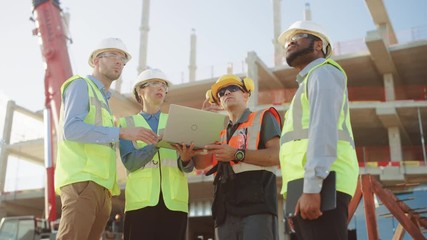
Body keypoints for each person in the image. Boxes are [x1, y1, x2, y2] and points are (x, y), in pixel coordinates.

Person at [55, 38, 160, 240]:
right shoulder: (80, 85)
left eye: (123, 59)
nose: (119, 61)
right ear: (96, 59)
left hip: (102, 189)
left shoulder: (104, 100)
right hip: (82, 182)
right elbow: (71, 129)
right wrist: (121, 133)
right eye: (113, 55)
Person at [277, 20, 359, 240]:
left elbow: (323, 130)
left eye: (297, 37)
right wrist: (296, 196)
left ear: (317, 44)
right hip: (307, 187)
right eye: (287, 41)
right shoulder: (308, 82)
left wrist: (312, 189)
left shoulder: (323, 74)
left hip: (323, 185)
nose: (289, 43)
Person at [196, 74, 282, 240]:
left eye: (233, 88)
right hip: (225, 211)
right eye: (221, 92)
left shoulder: (263, 117)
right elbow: (200, 164)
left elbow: (276, 156)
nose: (226, 93)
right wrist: (201, 122)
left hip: (257, 208)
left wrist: (236, 154)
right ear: (219, 102)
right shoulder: (217, 130)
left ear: (245, 94)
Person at [118, 68, 196, 240]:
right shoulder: (126, 124)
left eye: (163, 85)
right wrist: (156, 144)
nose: (160, 87)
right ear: (140, 90)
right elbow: (130, 163)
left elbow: (188, 167)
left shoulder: (176, 121)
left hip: (174, 203)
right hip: (140, 204)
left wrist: (186, 159)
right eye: (154, 83)